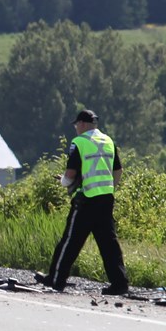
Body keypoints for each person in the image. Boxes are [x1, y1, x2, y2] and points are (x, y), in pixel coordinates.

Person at [36, 108, 130, 296]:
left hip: (86, 199)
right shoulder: (107, 141)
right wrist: (109, 187)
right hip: (106, 198)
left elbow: (70, 174)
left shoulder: (79, 142)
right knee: (109, 245)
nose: (76, 128)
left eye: (76, 124)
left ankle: (56, 280)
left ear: (82, 124)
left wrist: (64, 182)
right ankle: (120, 284)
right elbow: (118, 171)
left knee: (70, 241)